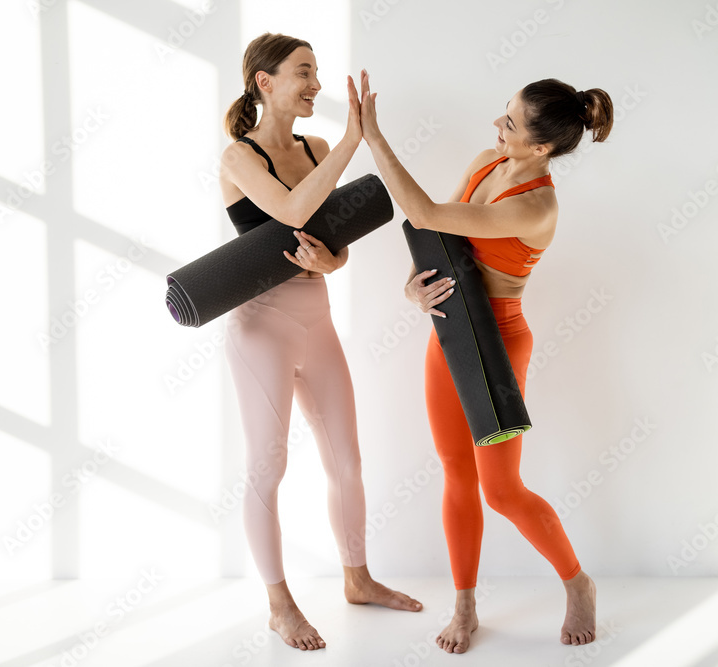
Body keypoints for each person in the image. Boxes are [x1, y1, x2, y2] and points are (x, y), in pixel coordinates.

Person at [357, 70, 612, 652]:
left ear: (541, 147)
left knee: (500, 489)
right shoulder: (484, 161)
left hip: (498, 340)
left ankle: (579, 584)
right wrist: (412, 291)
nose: (498, 125)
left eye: (512, 124)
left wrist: (374, 137)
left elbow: (420, 211)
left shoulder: (537, 208)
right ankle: (465, 605)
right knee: (454, 471)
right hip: (449, 329)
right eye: (505, 111)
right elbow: (438, 237)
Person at [218, 33, 422, 652]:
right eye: (304, 72)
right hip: (262, 326)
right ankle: (280, 605)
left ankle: (357, 579)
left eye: (318, 72)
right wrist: (356, 142)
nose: (316, 84)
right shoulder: (238, 157)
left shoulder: (316, 146)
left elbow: (333, 238)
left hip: (318, 317)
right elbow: (288, 210)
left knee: (348, 461)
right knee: (268, 466)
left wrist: (332, 263)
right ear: (265, 82)